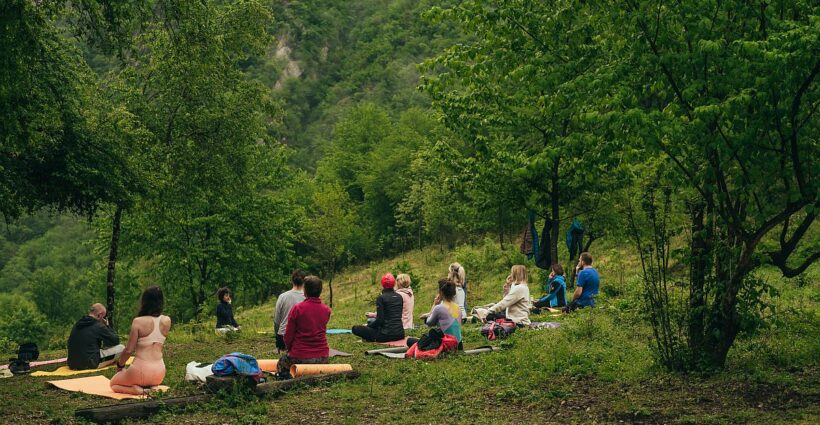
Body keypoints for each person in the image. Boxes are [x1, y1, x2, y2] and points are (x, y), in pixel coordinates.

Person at [110, 286, 172, 395]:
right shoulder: (167, 320)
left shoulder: (138, 321)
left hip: (140, 371)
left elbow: (129, 350)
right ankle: (150, 387)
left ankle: (136, 390)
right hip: (159, 373)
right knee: (145, 380)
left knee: (113, 384)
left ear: (144, 302)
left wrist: (120, 365)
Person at [277, 275, 331, 379]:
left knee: (281, 362)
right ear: (320, 291)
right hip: (323, 357)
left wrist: (289, 348)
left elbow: (288, 335)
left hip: (299, 356)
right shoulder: (327, 310)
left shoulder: (297, 309)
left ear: (305, 291)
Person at [407, 279, 463, 350]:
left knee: (410, 341)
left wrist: (434, 304)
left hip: (446, 345)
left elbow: (429, 323)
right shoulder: (458, 307)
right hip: (459, 345)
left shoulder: (439, 308)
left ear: (441, 292)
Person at [67, 303, 124, 370]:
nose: (104, 319)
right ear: (99, 315)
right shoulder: (98, 326)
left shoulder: (77, 324)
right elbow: (115, 340)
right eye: (104, 317)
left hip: (72, 363)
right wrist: (107, 326)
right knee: (122, 348)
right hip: (90, 363)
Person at [351, 273, 405, 342]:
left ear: (382, 284)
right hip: (400, 334)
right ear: (394, 284)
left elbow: (380, 320)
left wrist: (368, 326)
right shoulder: (399, 297)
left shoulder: (381, 298)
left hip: (386, 335)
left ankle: (370, 335)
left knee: (355, 328)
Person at [274, 270, 306, 351]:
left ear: (292, 281)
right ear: (304, 281)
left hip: (282, 337)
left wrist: (277, 338)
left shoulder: (282, 296)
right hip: (302, 338)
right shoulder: (308, 297)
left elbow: (277, 321)